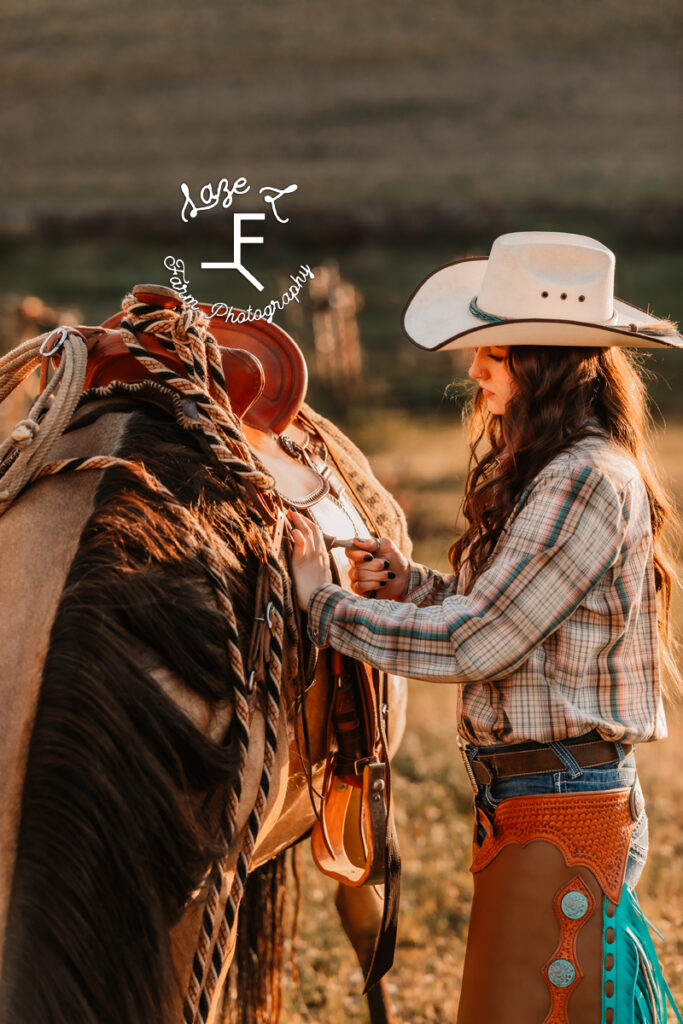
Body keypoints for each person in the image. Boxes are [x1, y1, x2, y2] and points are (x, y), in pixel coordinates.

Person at [287, 232, 683, 1023]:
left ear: (541, 366)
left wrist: (320, 605)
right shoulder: (555, 470)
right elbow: (507, 615)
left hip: (559, 801)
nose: (474, 371)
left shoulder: (580, 480)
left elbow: (481, 642)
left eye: (493, 355)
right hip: (541, 796)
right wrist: (411, 588)